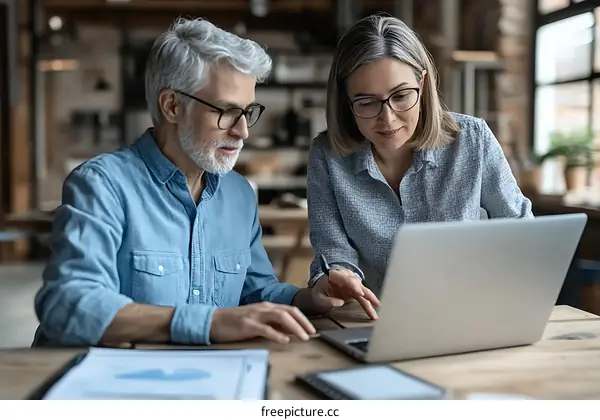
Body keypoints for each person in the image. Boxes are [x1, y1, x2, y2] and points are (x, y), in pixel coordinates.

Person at [33, 18, 345, 347]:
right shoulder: (102, 186)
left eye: (247, 112)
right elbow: (67, 304)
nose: (243, 132)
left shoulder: (239, 194)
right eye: (225, 111)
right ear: (172, 106)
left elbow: (255, 291)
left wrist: (308, 298)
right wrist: (208, 322)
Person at [306, 15, 534, 319]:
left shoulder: (473, 140)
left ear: (422, 83)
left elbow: (521, 231)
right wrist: (336, 277)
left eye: (401, 96)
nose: (387, 119)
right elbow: (333, 253)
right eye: (366, 102)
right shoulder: (327, 156)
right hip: (377, 321)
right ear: (345, 102)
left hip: (473, 314)